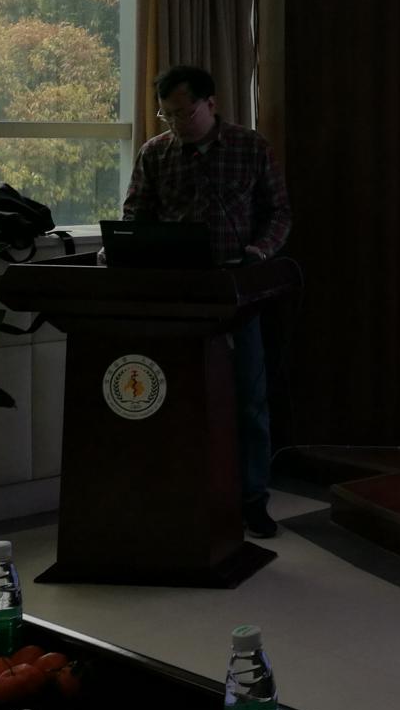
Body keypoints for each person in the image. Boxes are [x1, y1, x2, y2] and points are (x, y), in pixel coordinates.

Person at [121, 64, 292, 537]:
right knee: (173, 399)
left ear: (211, 104)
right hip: (174, 295)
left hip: (235, 291)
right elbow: (135, 215)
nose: (176, 123)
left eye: (184, 112)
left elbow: (279, 213)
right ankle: (177, 497)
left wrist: (260, 251)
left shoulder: (250, 148)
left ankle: (253, 500)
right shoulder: (155, 154)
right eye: (167, 114)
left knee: (248, 401)